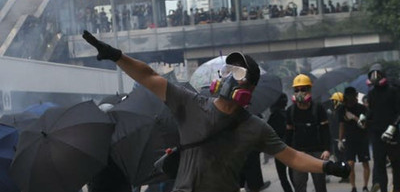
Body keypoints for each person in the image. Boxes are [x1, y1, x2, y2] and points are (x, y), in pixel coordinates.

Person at [81, 30, 350, 192]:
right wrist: (116, 55)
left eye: (238, 72)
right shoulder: (190, 104)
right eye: (228, 70)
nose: (229, 76)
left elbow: (291, 156)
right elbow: (150, 77)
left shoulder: (255, 127)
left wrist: (328, 166)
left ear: (249, 89)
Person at [286, 74, 331, 192]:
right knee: (299, 186)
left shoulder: (318, 109)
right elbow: (289, 135)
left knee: (320, 185)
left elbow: (325, 131)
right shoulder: (291, 111)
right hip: (298, 153)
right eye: (297, 90)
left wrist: (327, 150)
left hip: (317, 152)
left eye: (303, 89)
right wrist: (287, 154)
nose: (299, 92)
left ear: (309, 90)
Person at [360, 63, 400, 192]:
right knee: (379, 165)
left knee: (396, 165)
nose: (375, 77)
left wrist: (393, 127)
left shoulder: (393, 91)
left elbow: (398, 111)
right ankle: (383, 189)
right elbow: (371, 111)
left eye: (377, 74)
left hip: (392, 133)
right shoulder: (372, 94)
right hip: (377, 134)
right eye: (372, 75)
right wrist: (364, 117)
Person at [337, 87, 370, 192]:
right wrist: (340, 140)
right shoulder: (342, 109)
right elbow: (341, 124)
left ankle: (365, 186)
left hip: (362, 138)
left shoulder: (362, 108)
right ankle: (353, 187)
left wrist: (354, 118)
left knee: (365, 162)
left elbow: (364, 125)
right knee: (350, 164)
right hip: (349, 139)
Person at [268, 93, 293, 192]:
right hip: (291, 147)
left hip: (279, 149)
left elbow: (268, 131)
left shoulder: (274, 116)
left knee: (283, 176)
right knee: (293, 174)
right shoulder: (289, 113)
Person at [329, 92, 349, 183]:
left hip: (341, 139)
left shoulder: (341, 111)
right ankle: (344, 174)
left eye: (334, 101)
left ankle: (345, 175)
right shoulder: (334, 111)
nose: (332, 103)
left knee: (342, 158)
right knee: (339, 158)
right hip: (335, 138)